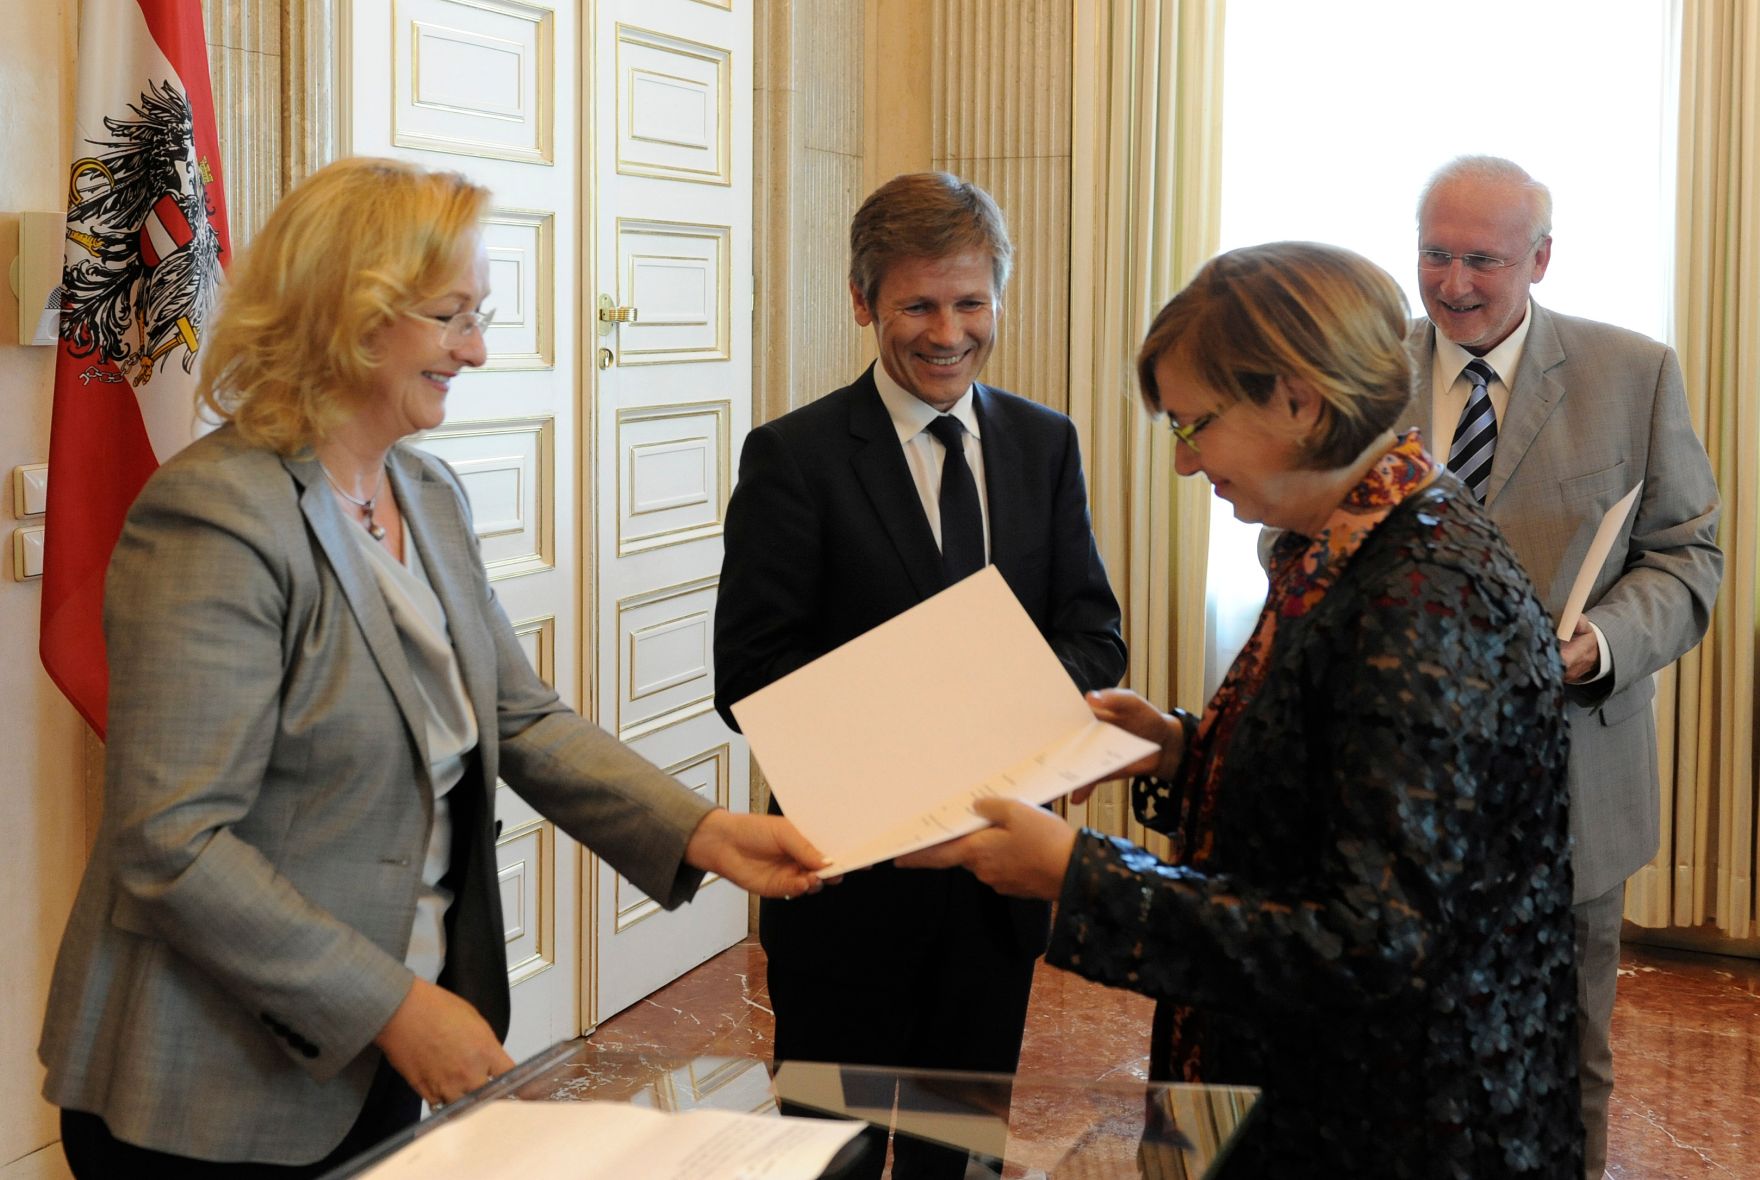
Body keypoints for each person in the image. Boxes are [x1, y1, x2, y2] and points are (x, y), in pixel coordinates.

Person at [37, 156, 829, 1178]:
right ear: (352, 316)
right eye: (452, 316)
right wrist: (395, 1005)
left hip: (366, 1060)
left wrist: (708, 832)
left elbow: (523, 717)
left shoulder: (426, 489)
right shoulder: (216, 517)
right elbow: (174, 840)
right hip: (207, 1085)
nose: (479, 349)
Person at [903, 241, 1585, 1178]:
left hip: (1394, 1125)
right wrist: (1182, 749)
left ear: (1298, 401)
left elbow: (1368, 942)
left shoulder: (1420, 593)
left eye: (1194, 428)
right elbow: (1353, 781)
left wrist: (1080, 874)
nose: (1186, 466)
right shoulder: (1354, 537)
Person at [713, 171, 1125, 1177]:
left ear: (998, 297)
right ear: (863, 303)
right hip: (846, 884)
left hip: (994, 881)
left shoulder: (1043, 442)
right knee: (830, 1154)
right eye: (918, 305)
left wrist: (1003, 719)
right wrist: (930, 728)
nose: (948, 332)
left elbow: (1091, 630)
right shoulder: (794, 457)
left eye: (970, 302)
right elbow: (751, 674)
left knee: (957, 1149)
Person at [1406, 156, 1722, 1178]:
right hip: (1400, 784)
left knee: (1564, 1053)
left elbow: (1685, 557)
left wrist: (1598, 644)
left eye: (1481, 261)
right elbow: (1292, 532)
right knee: (1403, 1051)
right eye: (1433, 254)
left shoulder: (1632, 373)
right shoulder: (1364, 370)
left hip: (1571, 779)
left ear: (1539, 258)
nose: (1453, 283)